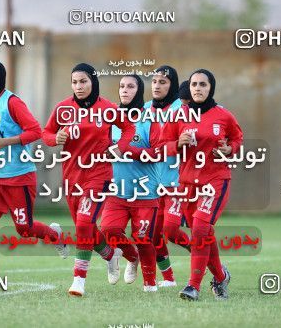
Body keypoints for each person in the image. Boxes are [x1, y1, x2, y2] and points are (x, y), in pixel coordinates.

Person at [42, 63, 136, 296]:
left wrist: (120, 147)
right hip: (72, 177)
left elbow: (129, 128)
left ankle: (79, 281)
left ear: (93, 82)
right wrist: (56, 137)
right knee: (88, 229)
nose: (79, 86)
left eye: (83, 81)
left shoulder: (107, 108)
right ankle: (115, 255)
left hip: (99, 175)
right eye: (74, 82)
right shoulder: (63, 108)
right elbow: (45, 133)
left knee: (84, 224)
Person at [0, 60, 69, 280]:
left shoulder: (12, 102)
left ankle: (54, 235)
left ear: (0, 78)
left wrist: (7, 142)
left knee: (24, 229)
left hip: (19, 176)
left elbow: (35, 131)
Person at [160, 69, 243, 301]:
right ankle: (220, 275)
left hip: (215, 180)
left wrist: (230, 149)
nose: (197, 88)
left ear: (211, 88)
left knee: (199, 228)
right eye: (194, 84)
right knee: (204, 232)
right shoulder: (178, 116)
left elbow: (237, 138)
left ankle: (192, 286)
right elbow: (162, 146)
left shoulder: (223, 116)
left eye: (203, 84)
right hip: (187, 184)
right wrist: (177, 143)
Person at [100, 75, 160, 292]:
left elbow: (157, 153)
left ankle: (150, 285)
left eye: (131, 86)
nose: (125, 90)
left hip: (145, 192)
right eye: (122, 86)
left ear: (139, 90)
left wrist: (129, 151)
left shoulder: (148, 118)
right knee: (108, 230)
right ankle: (131, 257)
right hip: (117, 191)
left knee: (143, 238)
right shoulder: (110, 117)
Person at [145, 65, 190, 287]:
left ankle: (204, 252)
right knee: (153, 235)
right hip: (153, 184)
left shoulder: (182, 108)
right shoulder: (144, 110)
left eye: (163, 82)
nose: (157, 86)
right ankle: (169, 279)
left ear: (172, 85)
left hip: (176, 181)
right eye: (154, 81)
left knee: (170, 230)